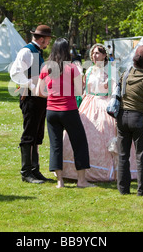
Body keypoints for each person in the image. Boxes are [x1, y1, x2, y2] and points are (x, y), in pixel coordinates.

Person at [61, 44, 137, 181]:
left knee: (104, 134)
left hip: (104, 104)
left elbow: (115, 90)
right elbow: (83, 88)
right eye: (93, 53)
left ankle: (110, 170)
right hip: (88, 104)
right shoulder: (89, 70)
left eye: (98, 53)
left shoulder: (111, 70)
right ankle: (76, 169)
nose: (95, 56)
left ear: (104, 55)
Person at [37, 38, 93, 188]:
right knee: (79, 143)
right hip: (68, 110)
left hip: (51, 111)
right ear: (67, 50)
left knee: (56, 146)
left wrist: (52, 95)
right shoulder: (72, 68)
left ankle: (59, 182)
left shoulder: (46, 67)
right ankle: (81, 181)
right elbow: (79, 91)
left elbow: (39, 92)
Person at [9, 25, 53, 184]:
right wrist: (31, 85)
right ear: (42, 39)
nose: (48, 42)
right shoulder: (27, 51)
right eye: (48, 39)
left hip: (40, 98)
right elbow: (14, 73)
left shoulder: (38, 52)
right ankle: (26, 172)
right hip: (30, 98)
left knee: (37, 134)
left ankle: (35, 170)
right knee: (29, 134)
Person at [116, 45, 143, 196]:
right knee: (140, 155)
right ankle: (142, 189)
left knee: (123, 155)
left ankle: (123, 189)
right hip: (138, 118)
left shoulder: (125, 73)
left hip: (121, 117)